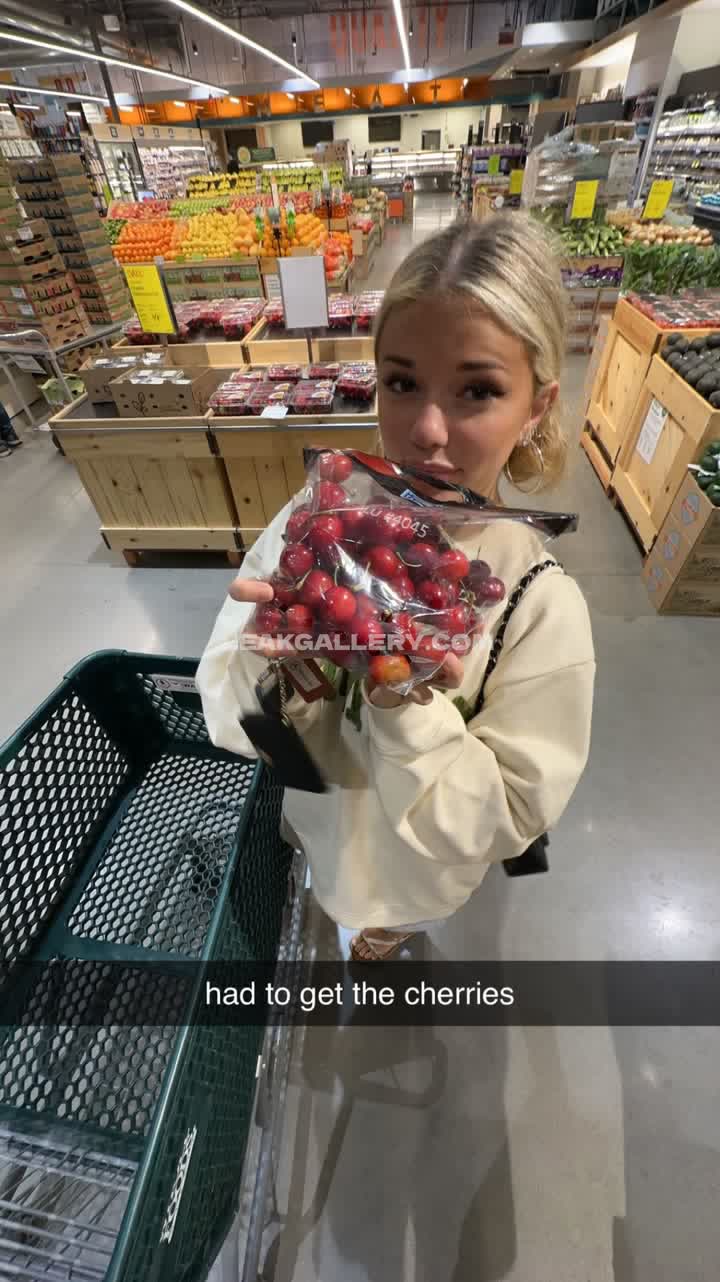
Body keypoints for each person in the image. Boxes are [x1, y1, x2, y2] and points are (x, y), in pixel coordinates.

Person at [197, 215, 595, 961]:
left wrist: (408, 710)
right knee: (337, 882)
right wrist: (268, 668)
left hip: (419, 874)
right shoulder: (315, 530)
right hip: (323, 831)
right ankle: (352, 912)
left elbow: (509, 817)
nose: (428, 430)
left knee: (390, 919)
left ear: (536, 407)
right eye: (403, 383)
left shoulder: (537, 605)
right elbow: (237, 723)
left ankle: (385, 933)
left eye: (478, 390)